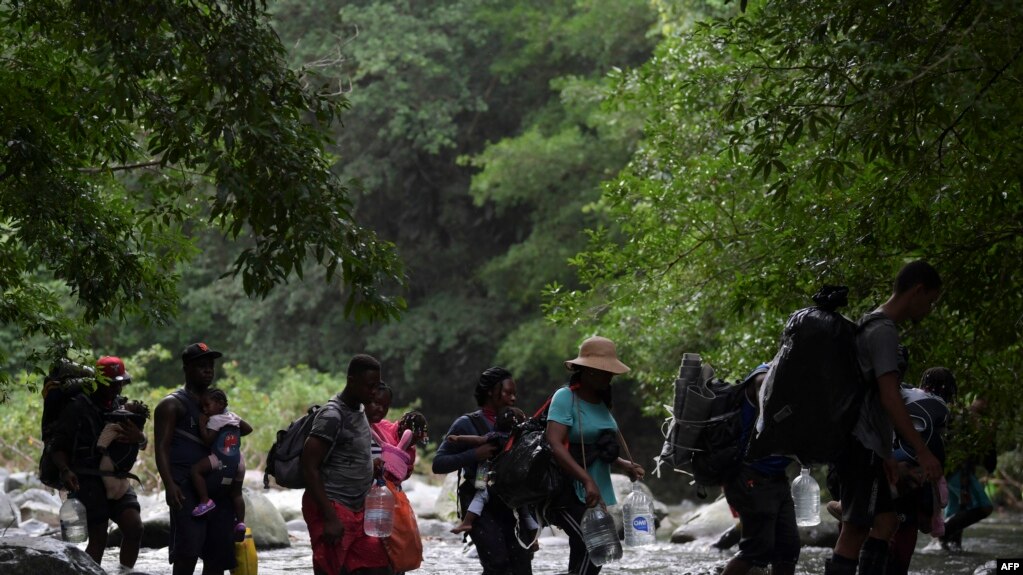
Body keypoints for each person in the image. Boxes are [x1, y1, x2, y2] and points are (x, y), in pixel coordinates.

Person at [826, 260, 944, 575]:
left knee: (886, 521)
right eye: (930, 301)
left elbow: (873, 399)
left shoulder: (871, 324)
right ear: (918, 291)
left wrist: (885, 454)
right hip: (858, 445)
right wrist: (922, 451)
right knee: (854, 531)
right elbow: (891, 397)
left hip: (865, 445)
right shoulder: (883, 331)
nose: (929, 309)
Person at [545, 336, 645, 575]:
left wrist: (623, 464)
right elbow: (554, 443)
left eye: (610, 372)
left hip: (594, 492)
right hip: (566, 489)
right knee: (591, 542)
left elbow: (596, 447)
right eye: (603, 371)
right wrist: (586, 480)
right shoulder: (565, 397)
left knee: (595, 553)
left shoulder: (601, 401)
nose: (608, 376)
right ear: (586, 371)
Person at [433, 367, 535, 575]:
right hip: (478, 500)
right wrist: (474, 454)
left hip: (511, 503)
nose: (513, 398)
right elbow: (438, 463)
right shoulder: (466, 424)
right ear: (491, 392)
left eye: (514, 394)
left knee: (522, 567)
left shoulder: (517, 424)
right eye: (508, 393)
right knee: (497, 563)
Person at [49, 356, 145, 569]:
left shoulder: (123, 406)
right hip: (87, 480)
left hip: (116, 479)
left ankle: (125, 573)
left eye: (120, 383)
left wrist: (139, 438)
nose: (116, 388)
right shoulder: (77, 408)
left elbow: (139, 443)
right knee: (99, 538)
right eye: (111, 383)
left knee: (134, 528)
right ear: (98, 382)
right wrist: (65, 471)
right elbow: (57, 446)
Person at [300, 354, 393, 575]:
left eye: (376, 386)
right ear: (351, 380)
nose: (373, 392)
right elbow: (308, 466)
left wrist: (371, 465)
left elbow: (347, 452)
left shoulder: (360, 409)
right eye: (369, 386)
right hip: (332, 506)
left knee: (379, 567)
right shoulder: (332, 415)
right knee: (333, 568)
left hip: (359, 509)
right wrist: (330, 517)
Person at [155, 342, 240, 575]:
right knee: (188, 552)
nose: (208, 370)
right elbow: (160, 448)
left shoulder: (217, 403)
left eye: (210, 366)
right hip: (186, 488)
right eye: (201, 366)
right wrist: (169, 485)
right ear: (186, 368)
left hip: (218, 488)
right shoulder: (171, 405)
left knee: (217, 556)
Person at [721, 364, 799, 575]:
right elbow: (765, 400)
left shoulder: (794, 381)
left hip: (777, 480)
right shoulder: (762, 378)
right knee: (756, 550)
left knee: (788, 550)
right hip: (751, 478)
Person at [447, 406, 539, 536]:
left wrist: (458, 438)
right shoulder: (523, 439)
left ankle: (467, 522)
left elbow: (478, 440)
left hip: (491, 475)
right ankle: (533, 534)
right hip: (515, 478)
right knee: (522, 506)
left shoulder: (496, 436)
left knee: (480, 495)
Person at [939, 395, 995, 551]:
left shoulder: (968, 417)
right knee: (984, 506)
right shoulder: (965, 418)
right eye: (982, 399)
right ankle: (943, 534)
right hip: (957, 471)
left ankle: (951, 544)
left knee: (956, 510)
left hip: (953, 471)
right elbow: (961, 450)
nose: (985, 404)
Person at [190, 387, 253, 524]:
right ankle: (241, 522)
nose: (205, 410)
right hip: (238, 463)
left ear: (220, 404)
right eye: (202, 407)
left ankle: (205, 501)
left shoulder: (215, 419)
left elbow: (207, 440)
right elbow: (249, 429)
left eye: (207, 405)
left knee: (196, 470)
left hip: (220, 459)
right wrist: (233, 433)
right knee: (237, 494)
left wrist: (201, 425)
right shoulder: (234, 417)